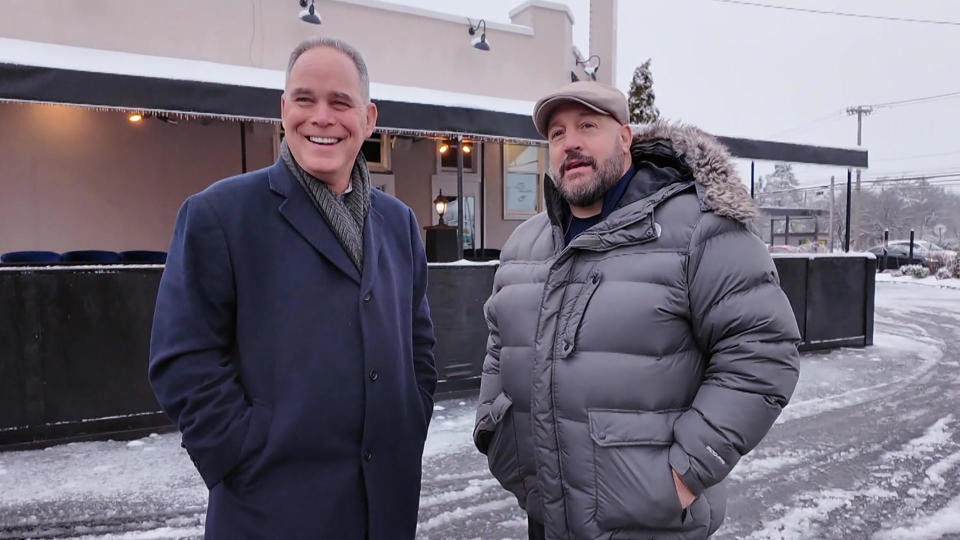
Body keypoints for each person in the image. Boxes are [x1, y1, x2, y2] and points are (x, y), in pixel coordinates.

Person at [474, 81, 800, 539]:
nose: (571, 143)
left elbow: (763, 351)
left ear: (625, 137)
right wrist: (494, 430)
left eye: (588, 125)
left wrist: (682, 476)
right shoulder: (523, 245)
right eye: (557, 133)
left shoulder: (700, 230)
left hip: (655, 523)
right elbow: (498, 345)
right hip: (547, 520)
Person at [149, 37, 437, 540]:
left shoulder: (399, 223)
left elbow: (419, 347)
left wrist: (411, 420)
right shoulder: (220, 214)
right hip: (269, 510)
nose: (321, 117)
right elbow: (183, 359)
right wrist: (240, 455)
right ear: (284, 110)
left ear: (369, 119)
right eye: (305, 100)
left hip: (386, 506)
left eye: (340, 102)